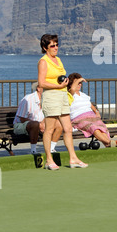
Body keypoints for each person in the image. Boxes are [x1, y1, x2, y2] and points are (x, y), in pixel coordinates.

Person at [38, 34, 88, 170]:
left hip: (62, 96)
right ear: (45, 48)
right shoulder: (43, 61)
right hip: (51, 97)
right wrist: (58, 86)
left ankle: (73, 158)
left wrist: (64, 85)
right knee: (49, 129)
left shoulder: (58, 60)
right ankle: (49, 160)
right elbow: (41, 82)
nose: (56, 48)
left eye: (57, 44)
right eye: (52, 46)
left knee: (67, 129)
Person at [68, 73, 117, 148]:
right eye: (77, 83)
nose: (79, 84)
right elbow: (73, 89)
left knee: (101, 127)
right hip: (79, 118)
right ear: (71, 84)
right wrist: (80, 79)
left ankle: (109, 144)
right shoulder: (69, 94)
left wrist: (96, 112)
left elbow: (90, 105)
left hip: (91, 116)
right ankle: (110, 143)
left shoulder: (83, 95)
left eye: (80, 83)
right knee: (93, 127)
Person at [13, 82, 62, 154]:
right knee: (35, 124)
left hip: (40, 124)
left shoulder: (48, 99)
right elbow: (22, 119)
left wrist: (44, 122)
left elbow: (51, 114)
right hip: (21, 125)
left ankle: (51, 149)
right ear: (38, 88)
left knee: (59, 124)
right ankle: (33, 150)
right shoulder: (28, 99)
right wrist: (39, 124)